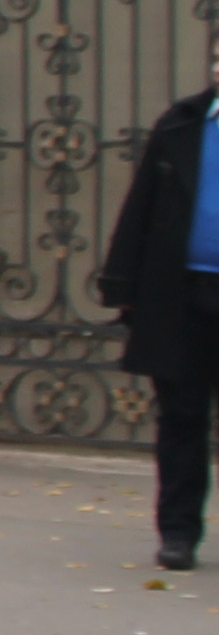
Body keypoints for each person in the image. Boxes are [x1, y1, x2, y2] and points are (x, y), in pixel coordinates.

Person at [96, 40, 219, 568]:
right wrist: (122, 287)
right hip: (181, 293)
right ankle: (178, 532)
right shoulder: (182, 124)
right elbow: (142, 205)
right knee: (182, 416)